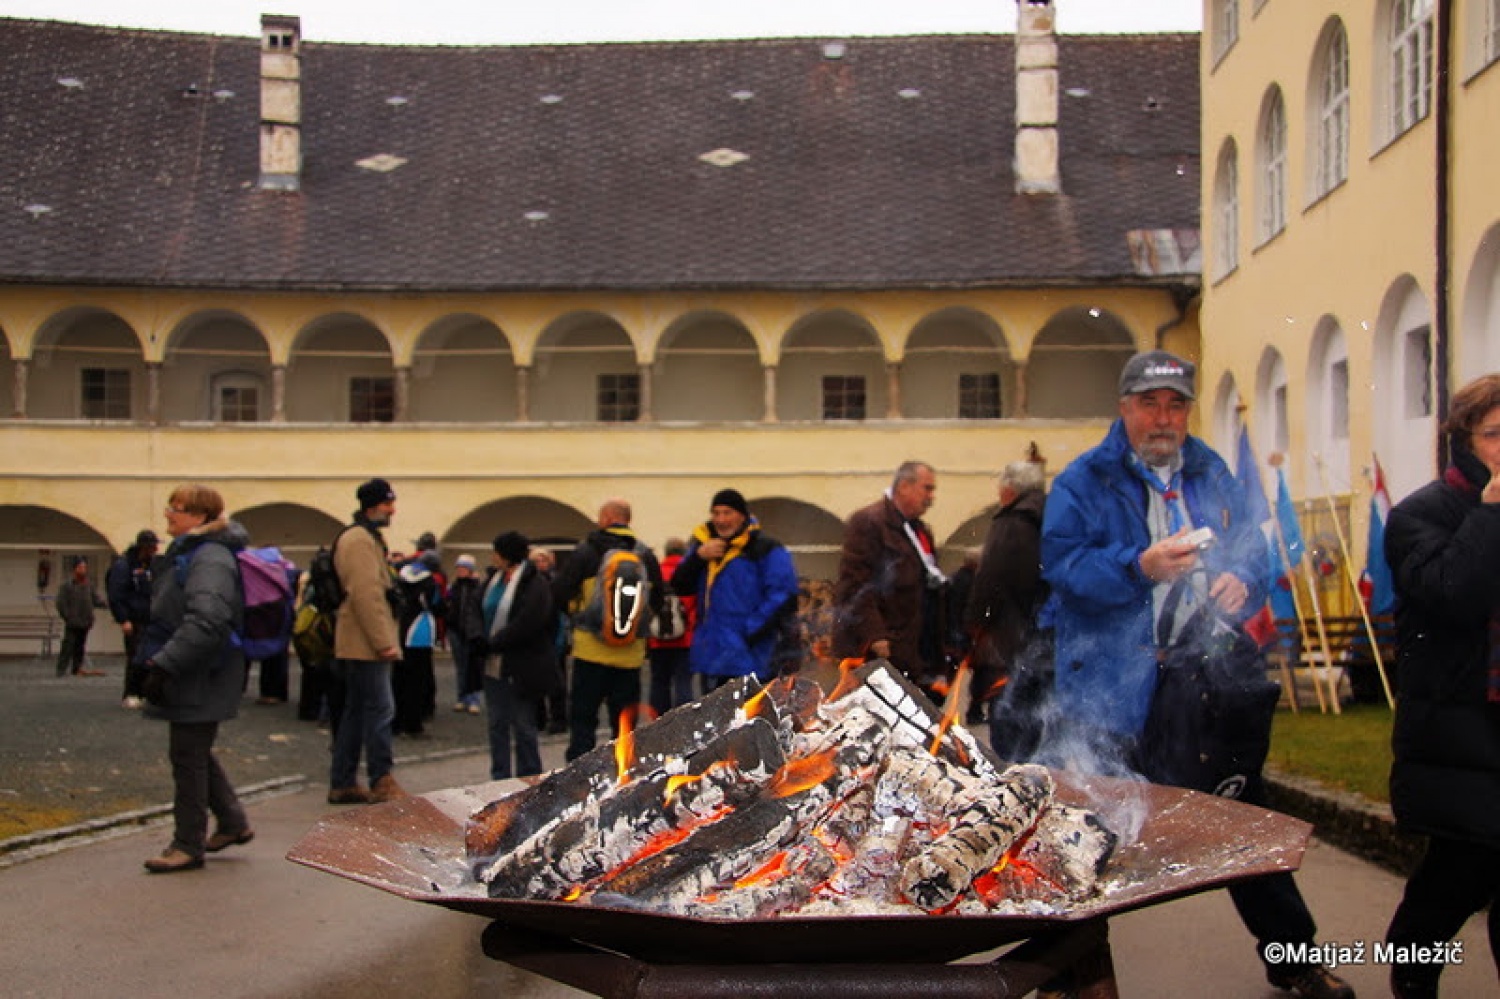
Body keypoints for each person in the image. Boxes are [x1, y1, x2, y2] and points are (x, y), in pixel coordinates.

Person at [1039, 349, 1352, 999]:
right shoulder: (1082, 482)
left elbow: (1256, 550)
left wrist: (1247, 579)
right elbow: (1064, 568)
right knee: (1081, 841)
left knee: (1242, 830)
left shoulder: (1212, 470)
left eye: (1176, 403)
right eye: (1149, 402)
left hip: (1204, 689)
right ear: (1124, 407)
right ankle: (1071, 975)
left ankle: (1296, 962)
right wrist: (1139, 566)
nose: (1163, 417)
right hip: (1109, 695)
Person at [1383, 373, 1500, 999]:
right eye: (1495, 434)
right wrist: (1492, 513)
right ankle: (1412, 973)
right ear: (1463, 442)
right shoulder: (1417, 516)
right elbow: (1457, 594)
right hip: (1459, 734)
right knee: (1458, 875)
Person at [136, 484, 253, 873]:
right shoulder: (194, 554)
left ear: (200, 517)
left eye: (177, 508)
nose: (167, 513)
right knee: (194, 750)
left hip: (202, 671)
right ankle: (232, 822)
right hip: (199, 668)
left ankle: (187, 844)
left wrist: (165, 663)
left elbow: (207, 620)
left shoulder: (209, 558)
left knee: (186, 755)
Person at [552, 498, 663, 762]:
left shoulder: (586, 551)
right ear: (628, 520)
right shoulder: (644, 554)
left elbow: (558, 591)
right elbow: (657, 599)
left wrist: (579, 615)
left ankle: (579, 778)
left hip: (589, 651)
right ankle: (621, 776)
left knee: (583, 720)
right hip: (630, 656)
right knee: (623, 725)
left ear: (604, 518)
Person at [832, 461, 949, 694]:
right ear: (904, 486)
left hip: (911, 646)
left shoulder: (920, 531)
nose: (931, 497)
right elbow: (855, 585)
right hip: (879, 648)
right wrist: (874, 635)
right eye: (927, 488)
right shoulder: (868, 522)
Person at [672, 489, 799, 691]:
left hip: (752, 655)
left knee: (751, 718)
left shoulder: (764, 548)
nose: (721, 519)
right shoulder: (704, 546)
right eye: (716, 513)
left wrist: (749, 632)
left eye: (727, 513)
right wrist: (697, 559)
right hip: (711, 655)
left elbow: (783, 595)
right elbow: (680, 586)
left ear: (742, 516)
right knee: (712, 720)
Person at [327, 478, 406, 805]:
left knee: (357, 711)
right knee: (380, 709)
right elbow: (366, 594)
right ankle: (381, 779)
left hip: (361, 640)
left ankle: (343, 780)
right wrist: (383, 641)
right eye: (388, 504)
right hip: (365, 641)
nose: (392, 510)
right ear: (374, 505)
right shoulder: (359, 540)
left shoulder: (365, 537)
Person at [967, 459, 1052, 762]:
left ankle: (1014, 786)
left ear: (1010, 489)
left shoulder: (1013, 522)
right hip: (1044, 641)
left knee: (1010, 725)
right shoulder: (1049, 516)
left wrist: (976, 626)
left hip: (1010, 643)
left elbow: (991, 580)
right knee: (1038, 721)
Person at [480, 531, 556, 780]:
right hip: (494, 663)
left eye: (496, 552)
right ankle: (499, 775)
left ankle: (529, 776)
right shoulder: (493, 580)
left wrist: (496, 641)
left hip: (522, 663)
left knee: (524, 724)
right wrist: (478, 637)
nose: (493, 557)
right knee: (497, 724)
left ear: (505, 555)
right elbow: (475, 606)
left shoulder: (535, 583)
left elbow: (529, 620)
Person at [106, 528, 158, 708]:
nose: (155, 550)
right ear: (143, 547)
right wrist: (123, 619)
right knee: (135, 656)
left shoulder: (150, 565)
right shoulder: (124, 565)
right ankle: (131, 692)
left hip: (149, 618)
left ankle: (144, 692)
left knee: (149, 656)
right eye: (152, 547)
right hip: (133, 619)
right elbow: (116, 594)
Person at [392, 551, 443, 738]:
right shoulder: (429, 582)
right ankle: (413, 724)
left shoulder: (400, 577)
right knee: (417, 680)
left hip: (401, 628)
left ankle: (396, 722)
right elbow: (436, 605)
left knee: (399, 679)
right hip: (420, 631)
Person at [647, 538, 696, 714]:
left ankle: (658, 720)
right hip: (685, 640)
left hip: (656, 639)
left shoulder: (656, 572)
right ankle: (684, 719)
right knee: (683, 681)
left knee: (659, 682)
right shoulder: (689, 574)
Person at [444, 554, 486, 714]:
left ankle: (474, 699)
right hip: (455, 630)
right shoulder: (453, 588)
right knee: (460, 666)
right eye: (458, 568)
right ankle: (462, 697)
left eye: (463, 568)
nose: (460, 571)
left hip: (471, 631)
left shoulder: (478, 588)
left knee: (473, 667)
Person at [54, 556, 107, 677]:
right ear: (75, 569)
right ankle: (61, 670)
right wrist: (68, 617)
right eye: (81, 567)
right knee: (68, 646)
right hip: (72, 622)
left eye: (84, 567)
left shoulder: (89, 585)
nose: (83, 570)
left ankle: (76, 668)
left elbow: (96, 600)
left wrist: (109, 605)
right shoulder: (67, 586)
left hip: (85, 622)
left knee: (80, 647)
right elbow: (61, 603)